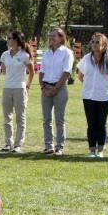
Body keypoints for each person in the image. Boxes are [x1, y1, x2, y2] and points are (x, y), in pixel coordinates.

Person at [76, 33, 108, 157]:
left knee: (101, 123)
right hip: (88, 95)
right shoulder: (86, 59)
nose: (95, 45)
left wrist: (107, 88)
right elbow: (80, 76)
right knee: (91, 123)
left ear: (104, 45)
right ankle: (91, 150)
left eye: (97, 42)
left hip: (104, 96)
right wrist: (90, 86)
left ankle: (100, 150)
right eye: (93, 42)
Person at [39, 27, 74, 155]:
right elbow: (42, 71)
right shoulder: (47, 53)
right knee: (46, 119)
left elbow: (66, 72)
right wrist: (42, 87)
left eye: (54, 36)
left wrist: (55, 88)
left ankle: (60, 147)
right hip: (46, 87)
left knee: (59, 119)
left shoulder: (67, 53)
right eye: (50, 35)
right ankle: (48, 146)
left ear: (61, 38)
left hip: (60, 88)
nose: (51, 38)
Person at [0, 30, 34, 153]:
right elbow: (3, 70)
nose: (7, 40)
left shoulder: (25, 55)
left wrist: (27, 86)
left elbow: (32, 72)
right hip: (7, 88)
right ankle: (8, 143)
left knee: (20, 117)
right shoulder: (4, 54)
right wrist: (3, 68)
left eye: (9, 38)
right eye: (7, 38)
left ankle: (18, 144)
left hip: (20, 89)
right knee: (7, 118)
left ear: (16, 40)